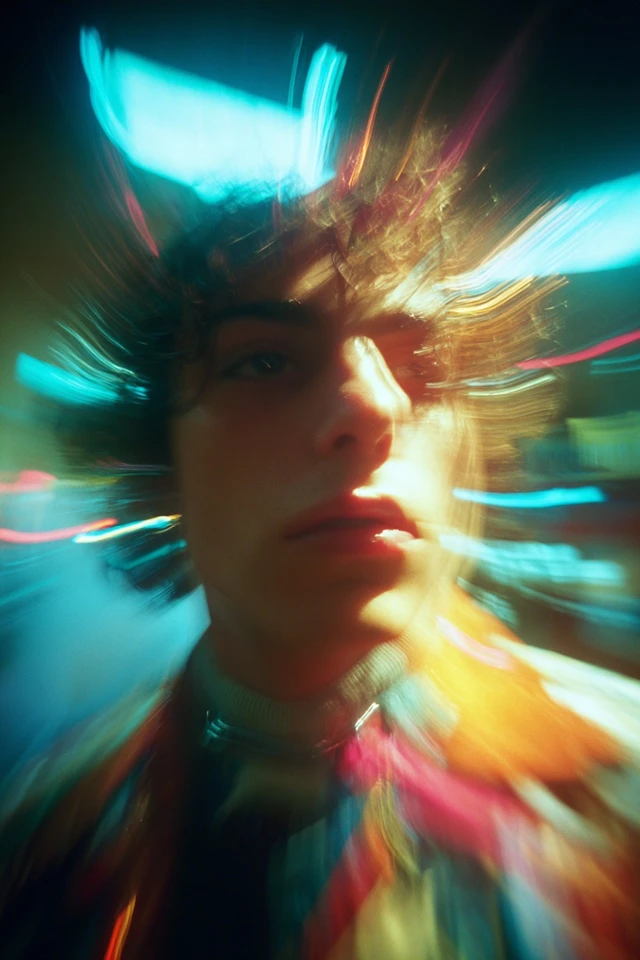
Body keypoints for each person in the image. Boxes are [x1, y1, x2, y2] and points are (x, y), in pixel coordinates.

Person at [1, 124, 638, 960]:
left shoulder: (614, 795)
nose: (375, 406)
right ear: (160, 467)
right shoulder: (43, 849)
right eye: (265, 362)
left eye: (421, 367)